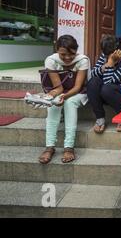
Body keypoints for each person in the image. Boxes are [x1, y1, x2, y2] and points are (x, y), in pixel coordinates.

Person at [39, 35, 90, 164]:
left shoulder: (83, 60)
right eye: (63, 54)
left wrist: (64, 96)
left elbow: (78, 87)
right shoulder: (51, 60)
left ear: (76, 50)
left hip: (79, 92)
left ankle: (69, 147)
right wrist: (51, 96)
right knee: (54, 104)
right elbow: (59, 88)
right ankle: (49, 146)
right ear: (57, 50)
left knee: (70, 103)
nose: (67, 58)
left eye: (71, 54)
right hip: (63, 91)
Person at [87, 35, 121, 133]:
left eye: (109, 55)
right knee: (93, 82)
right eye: (106, 55)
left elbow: (108, 83)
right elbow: (92, 73)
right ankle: (100, 118)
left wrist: (110, 63)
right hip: (106, 93)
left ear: (119, 52)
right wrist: (106, 65)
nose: (106, 57)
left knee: (107, 88)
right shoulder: (105, 55)